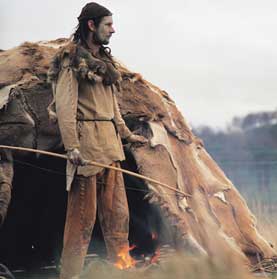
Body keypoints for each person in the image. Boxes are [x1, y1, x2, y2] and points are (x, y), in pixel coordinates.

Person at [48, 2, 147, 278]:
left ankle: (121, 271)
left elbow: (111, 106)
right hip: (87, 149)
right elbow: (65, 105)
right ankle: (71, 275)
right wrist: (72, 147)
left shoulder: (104, 63)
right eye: (108, 24)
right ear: (91, 25)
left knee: (118, 217)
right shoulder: (71, 60)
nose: (113, 30)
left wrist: (126, 135)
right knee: (82, 221)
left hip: (110, 148)